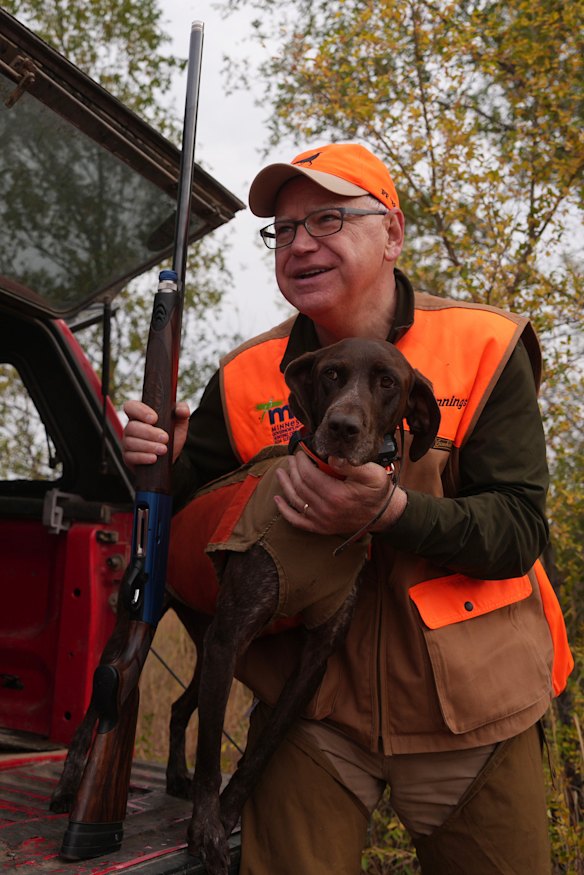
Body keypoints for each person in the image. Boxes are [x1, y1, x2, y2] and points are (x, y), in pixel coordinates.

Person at [122, 143, 573, 874]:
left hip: (474, 712)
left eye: (327, 218)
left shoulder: (486, 345)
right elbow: (178, 531)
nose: (300, 243)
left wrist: (391, 513)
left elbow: (519, 530)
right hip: (310, 714)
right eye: (283, 229)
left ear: (391, 233)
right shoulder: (241, 378)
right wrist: (155, 460)